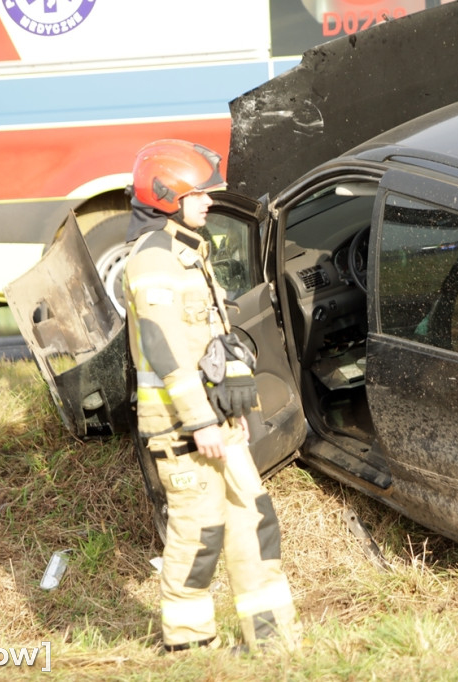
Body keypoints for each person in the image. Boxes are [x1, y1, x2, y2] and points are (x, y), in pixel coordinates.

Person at [122, 139, 299, 653]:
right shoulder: (153, 261)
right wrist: (200, 422)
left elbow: (212, 338)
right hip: (180, 428)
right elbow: (163, 348)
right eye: (198, 194)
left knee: (255, 522)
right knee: (200, 536)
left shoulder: (190, 252)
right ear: (166, 196)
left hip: (217, 421)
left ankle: (270, 643)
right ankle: (190, 645)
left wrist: (233, 406)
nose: (209, 202)